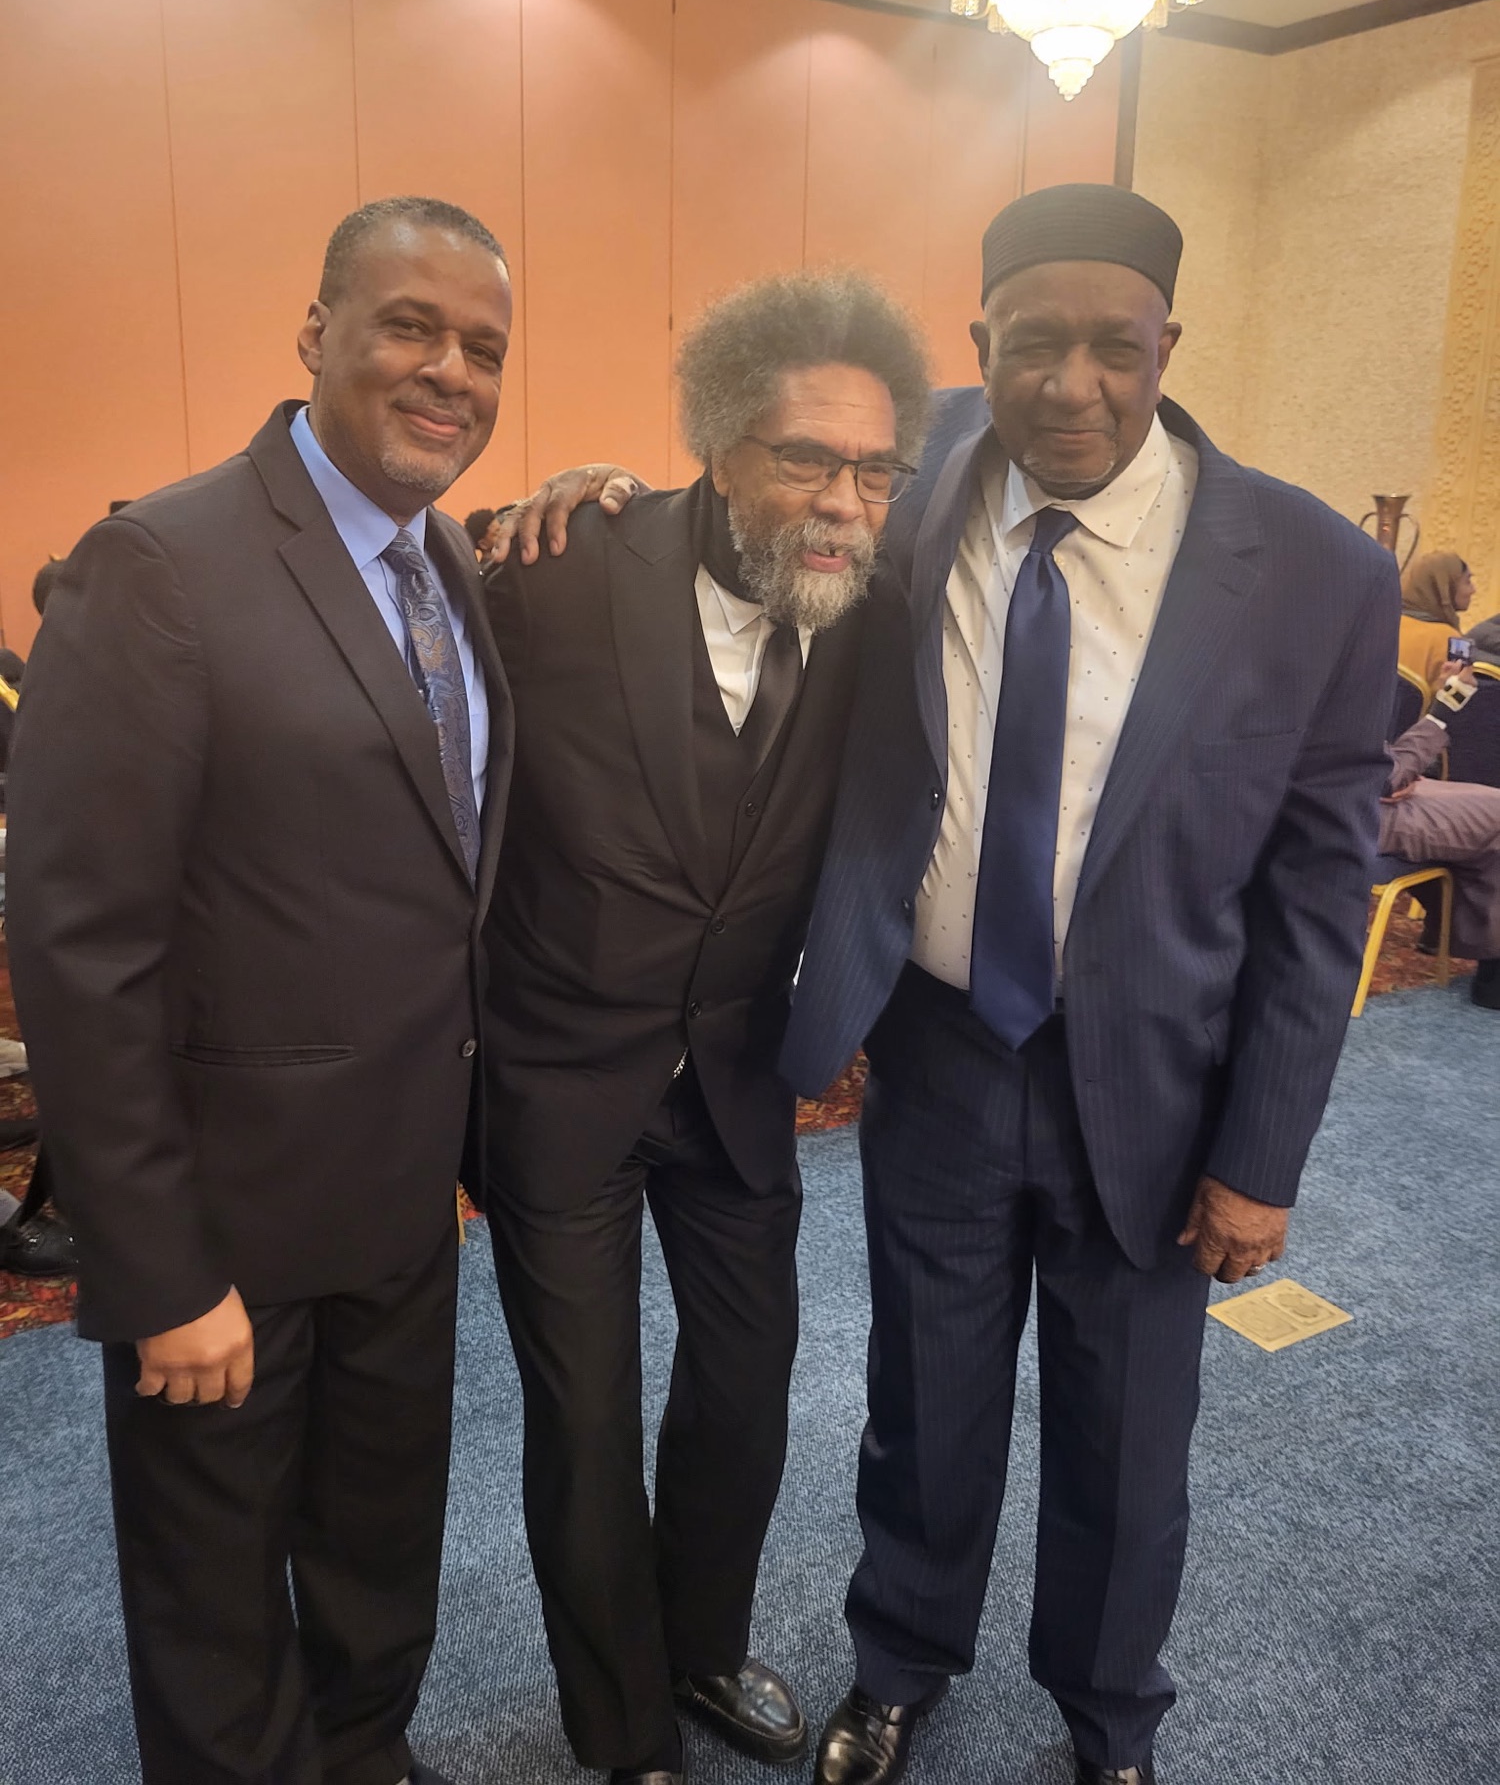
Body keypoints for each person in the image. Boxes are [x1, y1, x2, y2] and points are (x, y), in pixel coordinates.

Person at [775, 185, 1399, 1785]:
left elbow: (1324, 889)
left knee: (1130, 1444)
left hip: (1161, 1082)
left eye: (1112, 348)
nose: (1071, 385)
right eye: (1030, 343)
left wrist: (1264, 1154)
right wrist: (574, 490)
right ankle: (901, 1661)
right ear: (976, 341)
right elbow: (729, 509)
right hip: (938, 1055)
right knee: (924, 1398)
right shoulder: (904, 487)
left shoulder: (1315, 571)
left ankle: (1110, 1719)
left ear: (1168, 346)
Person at [6, 194, 515, 1785]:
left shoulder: (452, 566)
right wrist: (154, 1268)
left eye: (484, 347)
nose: (450, 371)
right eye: (409, 327)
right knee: (218, 1614)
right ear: (316, 335)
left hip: (401, 1203)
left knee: (378, 1567)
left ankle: (362, 1757)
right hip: (222, 1232)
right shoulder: (158, 560)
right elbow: (80, 945)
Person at [482, 271, 930, 1785]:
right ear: (720, 448)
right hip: (560, 1079)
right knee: (588, 1420)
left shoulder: (867, 605)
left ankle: (702, 1644)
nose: (843, 498)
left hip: (741, 1080)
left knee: (746, 1386)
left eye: (873, 469)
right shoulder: (556, 564)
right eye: (808, 458)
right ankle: (621, 1730)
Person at [1380, 659, 1500, 1009]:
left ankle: (1444, 929)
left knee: (1485, 804)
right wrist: (1442, 708)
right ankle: (1492, 977)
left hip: (1343, 796)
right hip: (1353, 811)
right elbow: (1383, 777)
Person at [1398, 549, 1474, 689]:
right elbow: (1452, 704)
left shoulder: (1385, 623)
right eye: (1467, 581)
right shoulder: (1449, 640)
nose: (1473, 590)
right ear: (1445, 586)